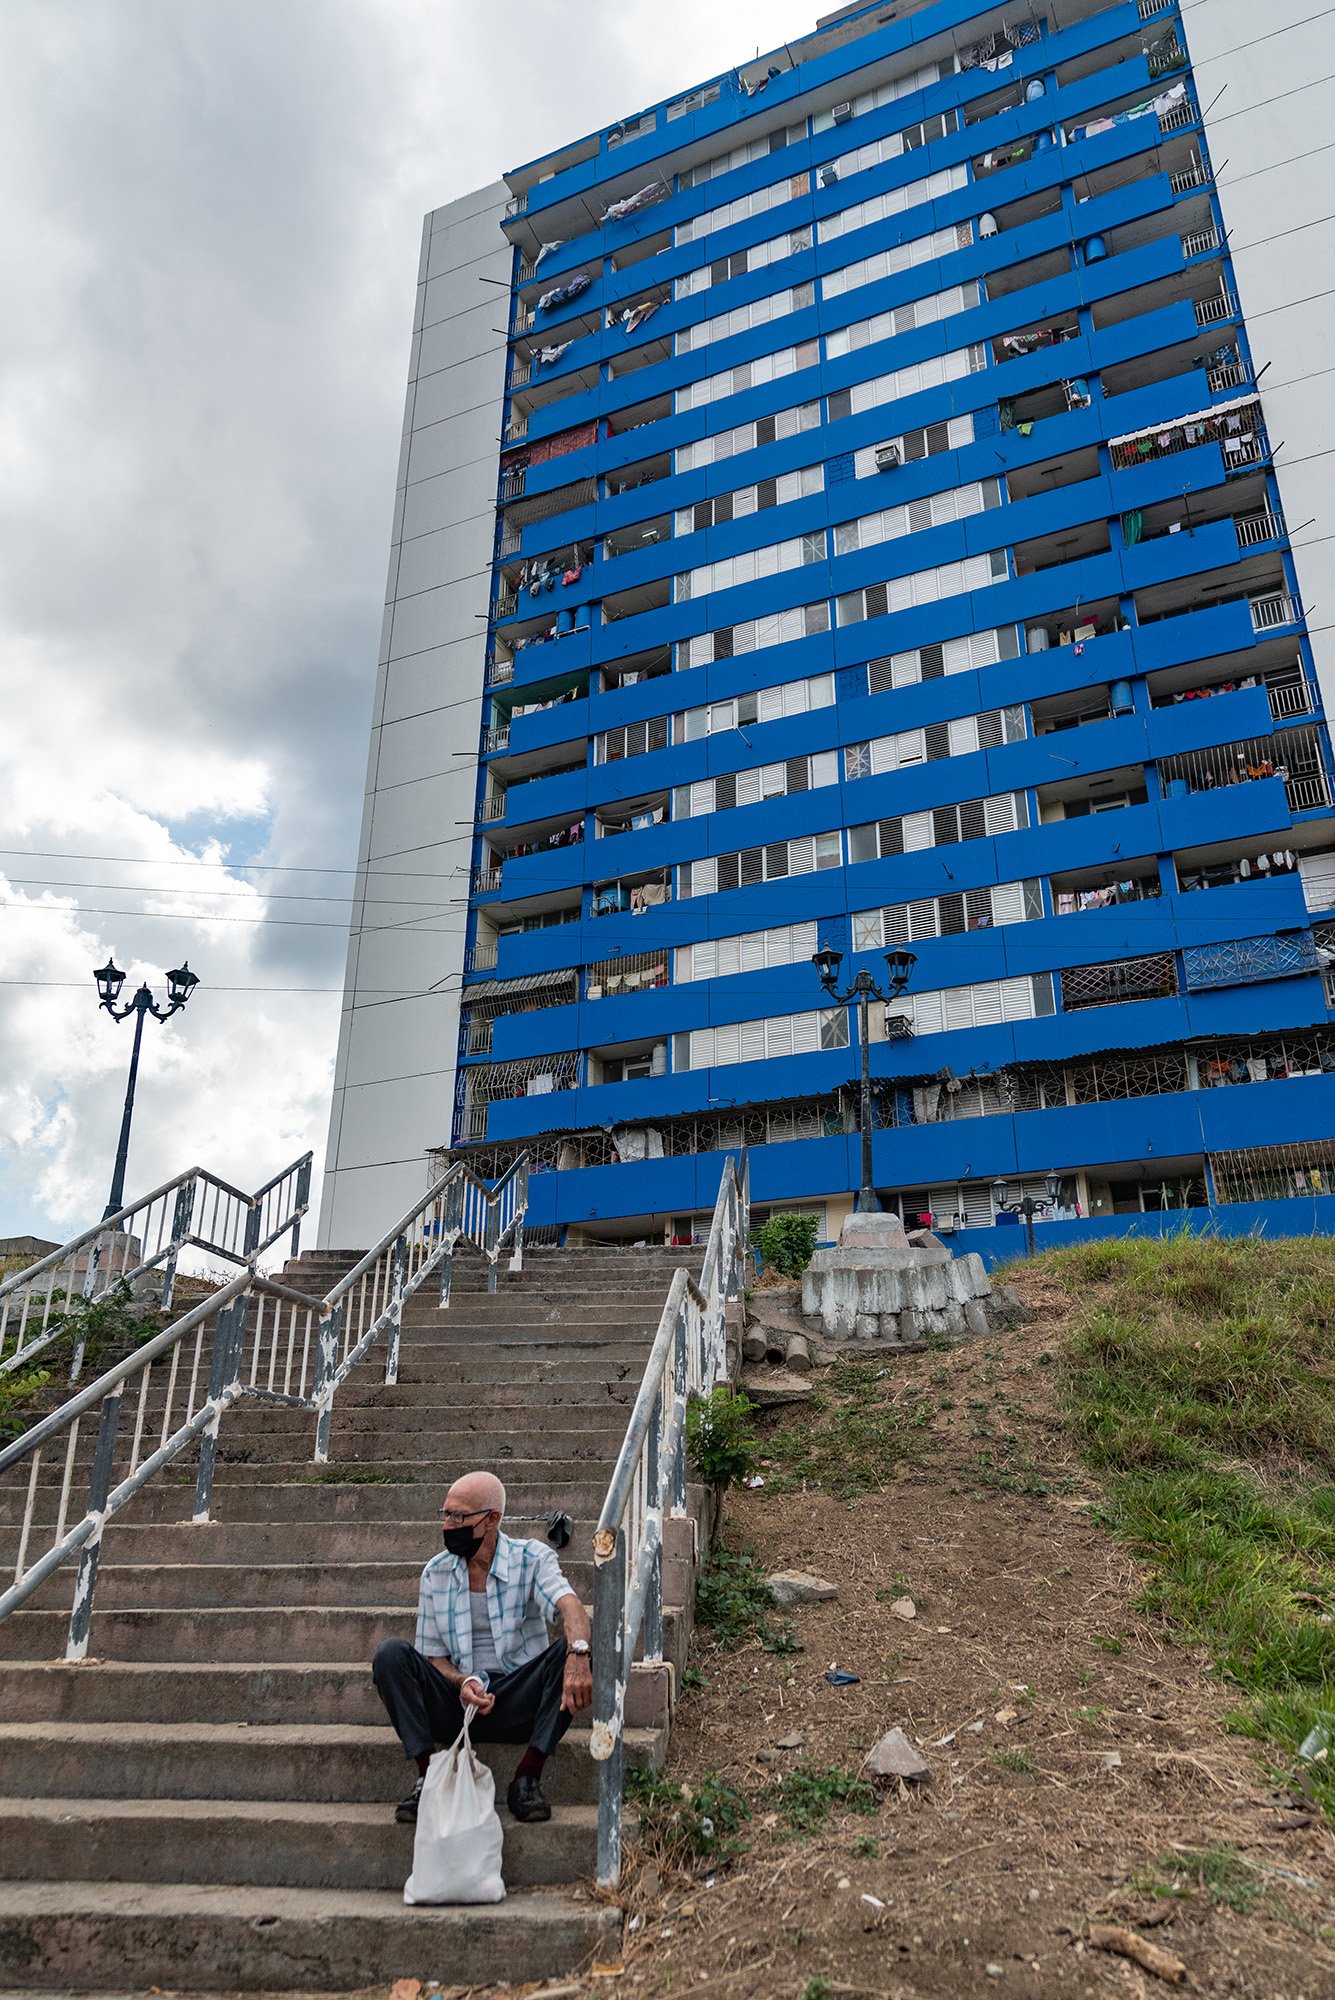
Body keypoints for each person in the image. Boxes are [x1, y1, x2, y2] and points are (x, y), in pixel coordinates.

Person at [371, 1470, 593, 1826]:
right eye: (445, 1514)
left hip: (519, 1698)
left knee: (570, 1652)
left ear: (492, 1519)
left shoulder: (531, 1558)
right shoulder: (435, 1573)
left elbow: (571, 1608)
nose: (448, 1525)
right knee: (391, 1655)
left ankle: (527, 1777)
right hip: (460, 1703)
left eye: (458, 1517)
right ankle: (429, 1778)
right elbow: (433, 1658)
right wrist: (461, 1682)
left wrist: (579, 1653)